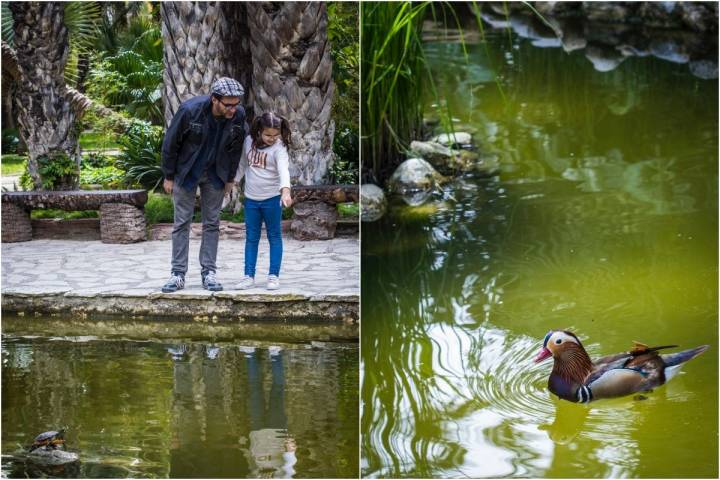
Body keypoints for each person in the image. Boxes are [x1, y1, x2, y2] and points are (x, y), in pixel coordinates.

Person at [160, 77, 247, 293]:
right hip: (186, 172)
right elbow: (170, 143)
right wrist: (168, 176)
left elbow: (235, 150)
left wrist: (230, 179)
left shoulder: (238, 116)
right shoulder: (190, 111)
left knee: (212, 223)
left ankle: (209, 272)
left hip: (216, 174)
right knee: (182, 222)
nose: (233, 109)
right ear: (214, 99)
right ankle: (177, 274)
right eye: (228, 105)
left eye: (236, 104)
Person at [235, 112, 293, 291]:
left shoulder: (279, 148)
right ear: (259, 130)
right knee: (251, 238)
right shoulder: (248, 142)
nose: (272, 139)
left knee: (274, 236)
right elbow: (243, 165)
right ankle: (248, 276)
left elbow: (284, 170)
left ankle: (273, 276)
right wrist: (232, 182)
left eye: (276, 135)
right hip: (251, 200)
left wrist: (285, 191)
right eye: (268, 135)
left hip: (272, 199)